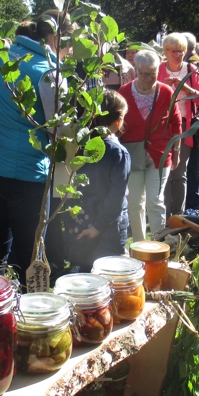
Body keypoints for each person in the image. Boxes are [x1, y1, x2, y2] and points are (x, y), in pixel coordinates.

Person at [0, 10, 70, 279]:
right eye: (68, 42)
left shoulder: (0, 57)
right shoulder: (48, 73)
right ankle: (32, 303)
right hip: (23, 175)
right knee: (31, 254)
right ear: (55, 36)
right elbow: (57, 130)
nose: (70, 50)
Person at [119, 49, 182, 240]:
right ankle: (139, 246)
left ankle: (158, 243)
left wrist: (177, 151)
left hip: (160, 154)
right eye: (144, 74)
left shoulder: (166, 92)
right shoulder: (124, 92)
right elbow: (117, 124)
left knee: (155, 201)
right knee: (135, 202)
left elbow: (176, 122)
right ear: (136, 70)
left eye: (153, 74)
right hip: (133, 154)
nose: (148, 79)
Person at [66, 90, 131, 270]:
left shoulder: (78, 147)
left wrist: (70, 222)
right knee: (108, 273)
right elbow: (116, 196)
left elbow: (68, 185)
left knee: (82, 273)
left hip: (81, 220)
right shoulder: (118, 153)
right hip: (109, 228)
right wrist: (98, 226)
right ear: (118, 121)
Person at [157, 33, 199, 216]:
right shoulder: (158, 69)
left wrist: (186, 88)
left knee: (179, 173)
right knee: (164, 172)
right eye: (173, 51)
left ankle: (178, 215)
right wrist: (162, 87)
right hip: (162, 127)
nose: (177, 55)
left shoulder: (191, 70)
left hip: (185, 128)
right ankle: (164, 215)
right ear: (165, 51)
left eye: (180, 51)